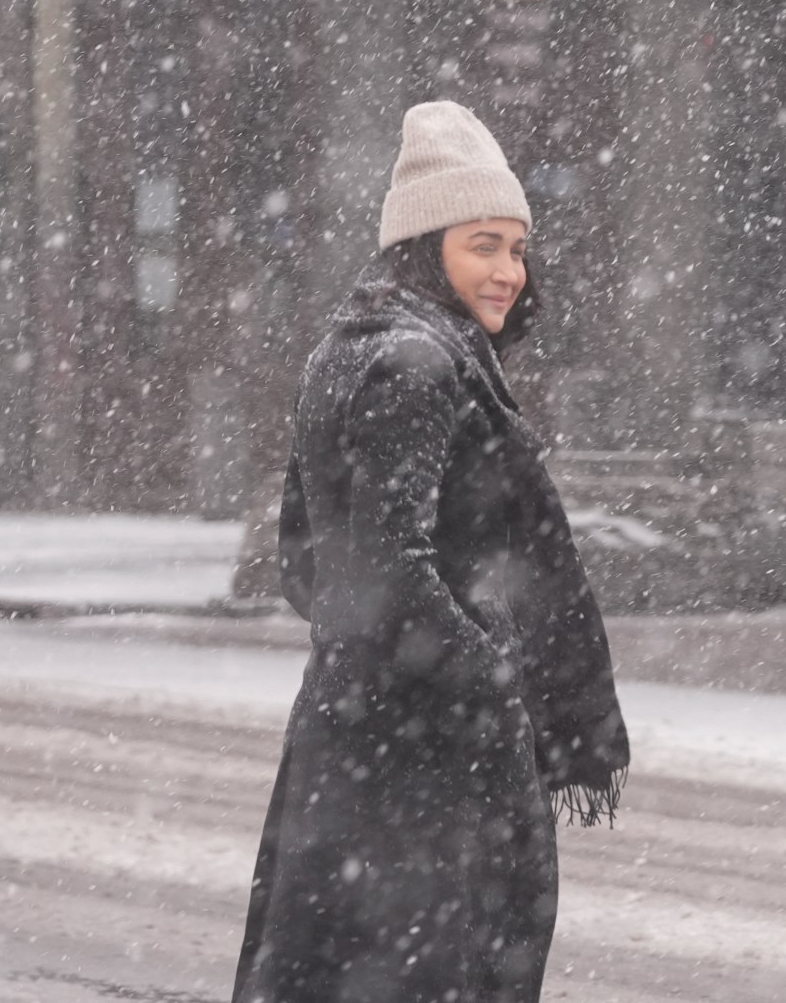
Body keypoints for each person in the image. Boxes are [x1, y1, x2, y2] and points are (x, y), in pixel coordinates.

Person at [234, 101, 628, 1003]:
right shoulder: (417, 363)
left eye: (517, 248)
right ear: (425, 248)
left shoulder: (357, 348)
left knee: (337, 970)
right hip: (430, 765)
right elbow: (388, 566)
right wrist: (489, 678)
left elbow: (309, 560)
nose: (508, 272)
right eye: (482, 244)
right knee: (439, 973)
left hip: (361, 740)